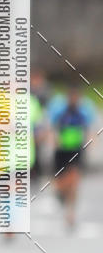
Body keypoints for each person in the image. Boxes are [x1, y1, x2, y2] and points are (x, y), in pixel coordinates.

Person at [47, 83, 96, 229]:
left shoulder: (84, 111)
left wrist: (90, 143)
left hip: (77, 150)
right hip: (61, 150)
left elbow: (89, 129)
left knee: (74, 180)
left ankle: (71, 213)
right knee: (61, 181)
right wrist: (53, 141)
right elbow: (51, 127)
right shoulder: (59, 110)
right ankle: (59, 192)